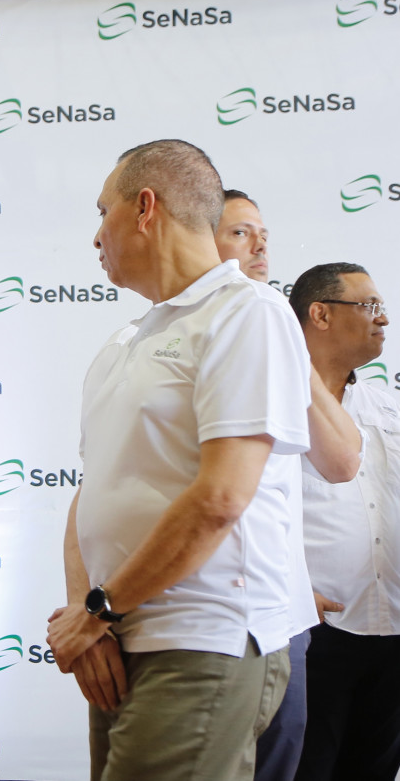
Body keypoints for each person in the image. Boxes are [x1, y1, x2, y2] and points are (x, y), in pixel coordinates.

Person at [47, 140, 312, 781]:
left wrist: (98, 609)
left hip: (201, 637)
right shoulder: (124, 343)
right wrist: (90, 615)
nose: (95, 236)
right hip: (118, 638)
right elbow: (92, 493)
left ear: (145, 208)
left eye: (103, 212)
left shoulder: (249, 312)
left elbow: (221, 499)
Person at [213, 193, 362, 781]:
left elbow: (343, 461)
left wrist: (288, 345)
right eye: (240, 233)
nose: (260, 245)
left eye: (263, 233)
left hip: (283, 623)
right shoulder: (145, 343)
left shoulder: (276, 332)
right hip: (199, 625)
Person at [289, 263, 400, 781]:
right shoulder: (270, 404)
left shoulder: (388, 405)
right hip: (310, 629)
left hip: (393, 627)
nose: (383, 319)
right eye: (369, 305)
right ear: (320, 314)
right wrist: (288, 586)